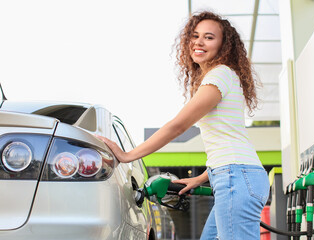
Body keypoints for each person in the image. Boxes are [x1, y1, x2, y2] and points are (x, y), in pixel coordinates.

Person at [97, 11, 270, 240]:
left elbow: (177, 126)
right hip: (235, 175)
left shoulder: (219, 76)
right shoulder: (224, 76)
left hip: (236, 177)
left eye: (209, 37)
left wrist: (127, 155)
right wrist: (201, 178)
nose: (199, 42)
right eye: (195, 35)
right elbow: (228, 141)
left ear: (223, 45)